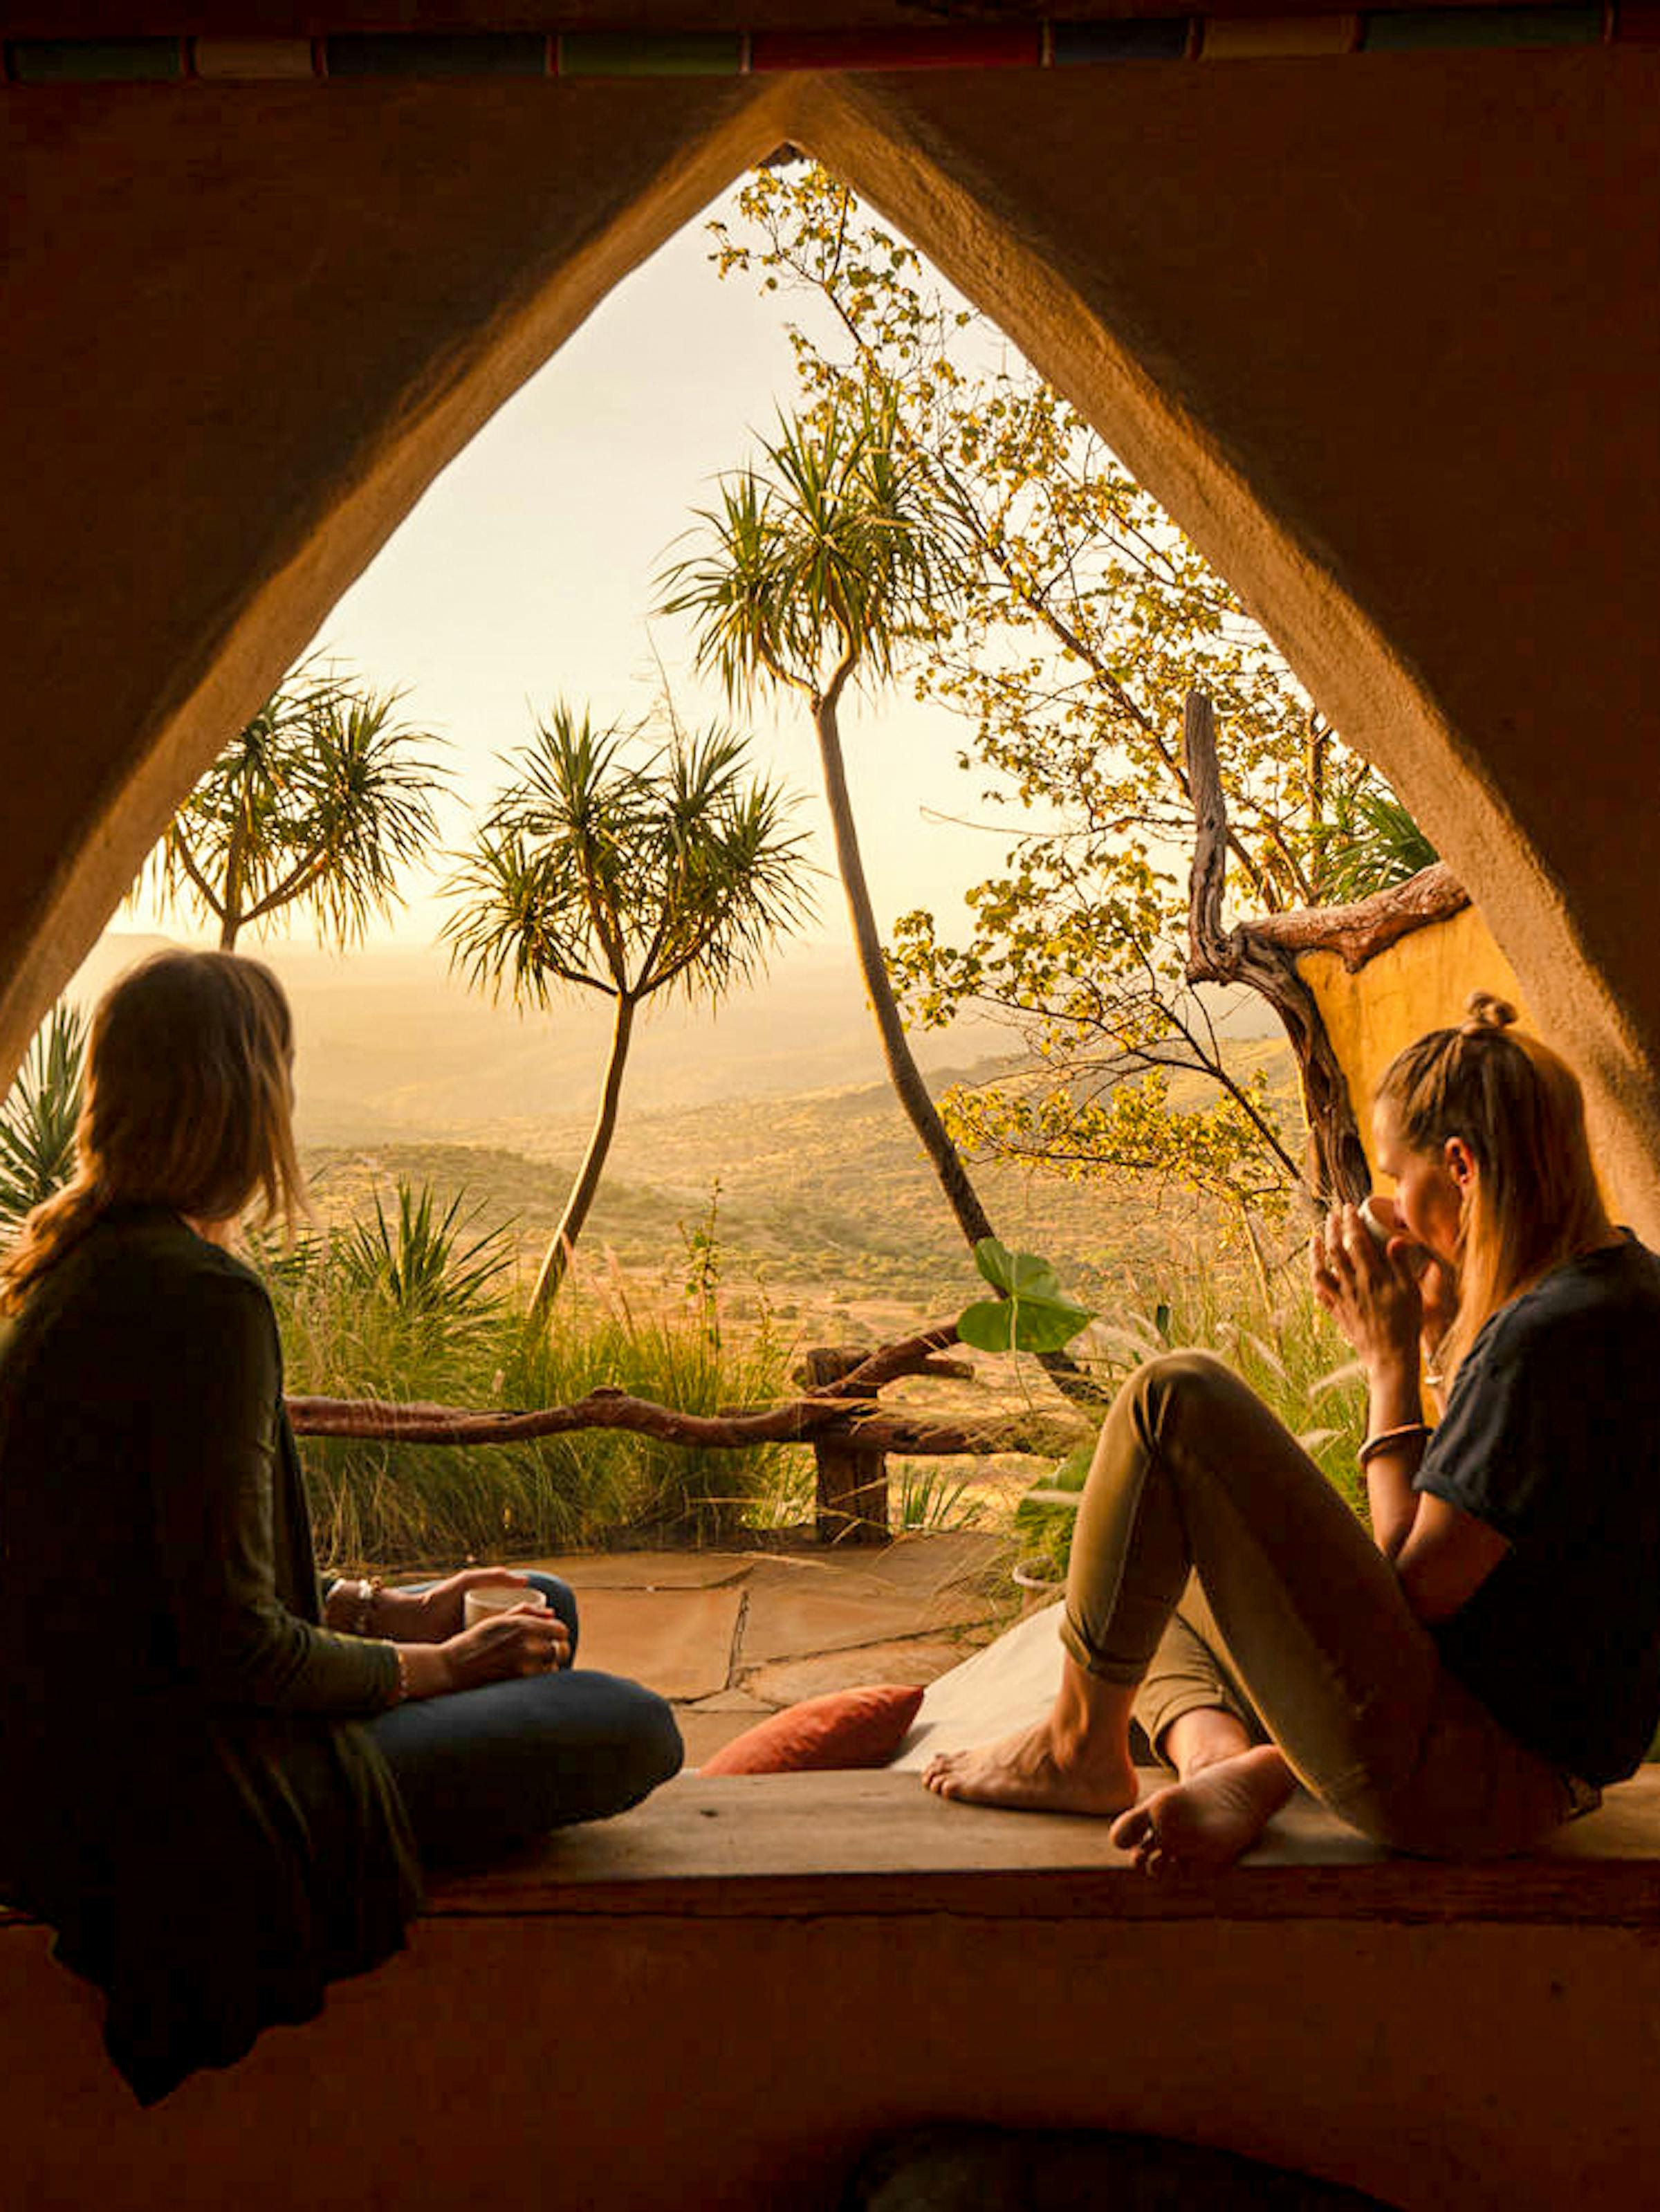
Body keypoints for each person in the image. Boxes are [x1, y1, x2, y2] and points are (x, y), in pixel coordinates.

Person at [0, 950, 682, 2102]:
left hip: (77, 1749)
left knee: (541, 1606)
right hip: (171, 1788)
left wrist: (383, 1609)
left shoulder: (75, 1268)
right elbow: (234, 1645)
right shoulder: (204, 1299)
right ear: (247, 1098)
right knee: (629, 1723)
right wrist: (434, 1662)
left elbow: (162, 1580)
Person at [925, 993, 1660, 1870]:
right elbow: (1502, 1564)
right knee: (1135, 1565)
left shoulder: (1546, 1339)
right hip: (1528, 1764)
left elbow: (1415, 1590)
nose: (1389, 1200)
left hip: (1464, 1783)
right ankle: (1225, 1765)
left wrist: (1390, 1359)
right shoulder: (1623, 1289)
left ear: (1460, 1168)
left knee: (1173, 1399)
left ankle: (1078, 1749)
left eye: (1398, 1174)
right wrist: (1439, 1333)